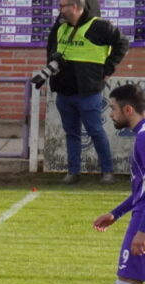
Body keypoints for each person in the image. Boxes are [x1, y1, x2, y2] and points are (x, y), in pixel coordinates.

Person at [80, 84, 145, 284]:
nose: (110, 114)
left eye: (113, 108)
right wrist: (116, 213)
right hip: (138, 218)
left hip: (143, 224)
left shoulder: (144, 139)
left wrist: (142, 229)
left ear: (128, 109)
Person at [46, 0, 128, 185]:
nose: (60, 10)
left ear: (75, 7)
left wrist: (107, 69)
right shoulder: (60, 27)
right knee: (71, 133)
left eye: (63, 6)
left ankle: (107, 172)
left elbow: (122, 42)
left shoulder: (98, 26)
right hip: (64, 91)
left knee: (95, 131)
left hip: (88, 91)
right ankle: (73, 172)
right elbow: (51, 49)